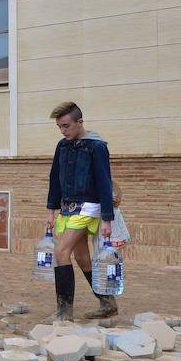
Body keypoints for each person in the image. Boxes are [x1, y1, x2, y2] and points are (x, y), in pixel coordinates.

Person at [44, 101, 116, 321]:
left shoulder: (96, 146)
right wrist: (50, 210)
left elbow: (105, 182)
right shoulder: (62, 146)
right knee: (82, 256)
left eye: (67, 125)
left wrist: (107, 218)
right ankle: (107, 303)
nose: (63, 131)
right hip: (67, 208)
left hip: (87, 208)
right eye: (60, 127)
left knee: (61, 252)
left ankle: (64, 312)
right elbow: (55, 178)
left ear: (79, 122)